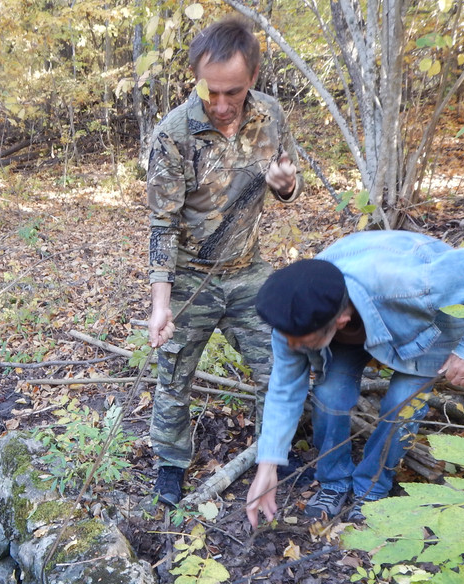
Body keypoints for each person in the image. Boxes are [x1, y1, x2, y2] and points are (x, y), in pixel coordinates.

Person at [244, 230, 464, 528]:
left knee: (401, 406)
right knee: (330, 394)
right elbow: (284, 389)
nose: (292, 346)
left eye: (301, 341)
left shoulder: (417, 283)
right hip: (362, 308)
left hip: (423, 324)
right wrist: (267, 465)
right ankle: (334, 482)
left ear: (340, 321)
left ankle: (372, 487)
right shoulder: (294, 315)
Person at [146, 15, 303, 507]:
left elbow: (288, 184)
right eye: (209, 90)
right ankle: (171, 464)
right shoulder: (174, 134)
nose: (219, 104)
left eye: (231, 92)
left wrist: (286, 187)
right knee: (174, 374)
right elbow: (161, 225)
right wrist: (161, 303)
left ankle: (270, 453)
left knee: (278, 367)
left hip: (248, 269)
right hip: (191, 274)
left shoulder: (271, 116)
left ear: (253, 76)